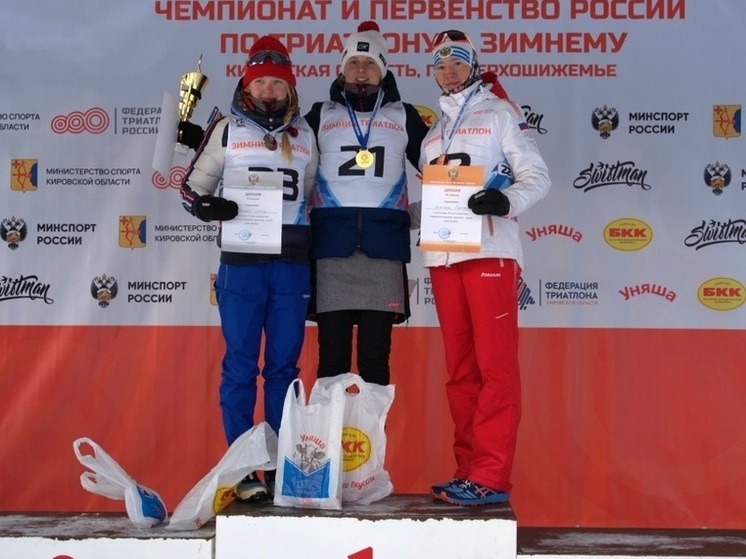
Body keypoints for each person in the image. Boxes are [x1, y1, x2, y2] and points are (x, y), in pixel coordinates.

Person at [179, 36, 317, 502]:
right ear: (246, 84)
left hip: (291, 265)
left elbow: (313, 195)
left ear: (290, 87)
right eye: (261, 83)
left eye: (277, 83)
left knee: (283, 370)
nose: (269, 91)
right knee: (240, 366)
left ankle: (278, 465)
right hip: (241, 265)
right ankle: (242, 468)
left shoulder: (306, 133)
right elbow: (191, 189)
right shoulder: (226, 129)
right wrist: (207, 207)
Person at [418, 30, 550, 506]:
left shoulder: (499, 113)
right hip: (444, 257)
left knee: (496, 368)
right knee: (461, 371)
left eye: (457, 62)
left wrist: (505, 200)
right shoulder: (433, 134)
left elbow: (537, 176)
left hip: (490, 253)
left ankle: (491, 476)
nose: (448, 71)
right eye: (440, 65)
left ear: (473, 66)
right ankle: (468, 470)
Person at [304, 21, 429, 386]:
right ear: (342, 69)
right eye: (353, 62)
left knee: (375, 360)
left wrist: (419, 215)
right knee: (332, 359)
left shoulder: (403, 115)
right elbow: (283, 155)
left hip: (383, 251)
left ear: (383, 69)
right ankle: (327, 426)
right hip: (332, 250)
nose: (361, 70)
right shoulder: (320, 113)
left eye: (370, 62)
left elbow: (442, 167)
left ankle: (373, 428)